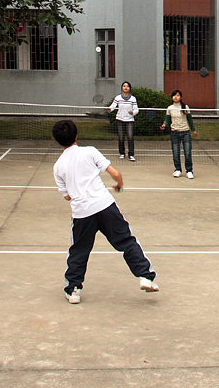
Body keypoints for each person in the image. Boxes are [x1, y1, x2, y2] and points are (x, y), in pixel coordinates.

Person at [51, 118, 159, 303]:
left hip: (82, 213)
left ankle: (74, 289)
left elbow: (67, 196)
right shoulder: (90, 152)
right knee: (126, 241)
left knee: (79, 250)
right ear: (77, 135)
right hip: (105, 205)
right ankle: (145, 276)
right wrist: (119, 185)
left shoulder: (58, 167)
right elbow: (115, 173)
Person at [159, 89, 197, 178]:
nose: (176, 97)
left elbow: (190, 119)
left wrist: (193, 130)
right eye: (174, 95)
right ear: (172, 97)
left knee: (187, 152)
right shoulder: (170, 108)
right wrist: (164, 125)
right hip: (174, 133)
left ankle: (189, 170)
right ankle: (178, 169)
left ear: (181, 97)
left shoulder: (185, 107)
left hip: (185, 132)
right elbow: (167, 119)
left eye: (178, 95)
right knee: (176, 152)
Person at [108, 81, 139, 161]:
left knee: (130, 137)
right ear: (122, 88)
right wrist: (109, 109)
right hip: (120, 119)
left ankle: (131, 155)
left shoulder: (133, 99)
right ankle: (122, 153)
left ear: (129, 88)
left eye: (127, 86)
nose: (126, 87)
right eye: (124, 86)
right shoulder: (118, 98)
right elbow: (113, 106)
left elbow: (136, 109)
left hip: (129, 120)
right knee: (121, 137)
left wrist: (133, 112)